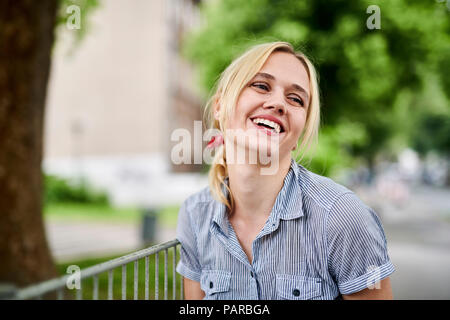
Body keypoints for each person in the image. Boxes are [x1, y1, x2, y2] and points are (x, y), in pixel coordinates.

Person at [175, 41, 395, 300]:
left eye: (295, 99)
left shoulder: (342, 217)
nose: (279, 103)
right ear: (220, 106)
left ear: (301, 131)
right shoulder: (194, 214)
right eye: (261, 85)